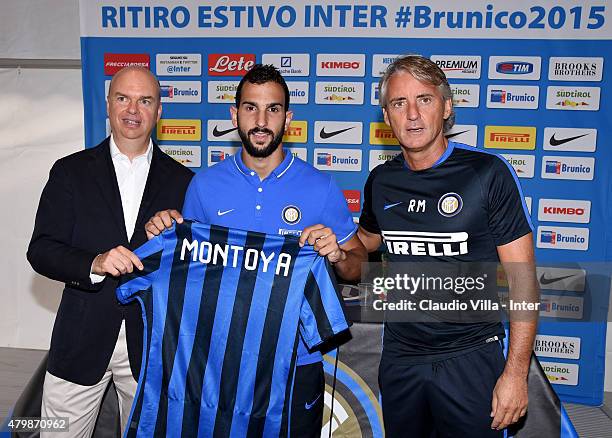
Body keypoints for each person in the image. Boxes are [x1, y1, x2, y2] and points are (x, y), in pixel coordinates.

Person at [145, 64, 367, 437]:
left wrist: (340, 256)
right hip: (220, 362)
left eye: (273, 109)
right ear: (234, 115)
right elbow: (188, 274)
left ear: (288, 118)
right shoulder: (204, 186)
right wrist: (163, 233)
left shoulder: (322, 187)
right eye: (250, 108)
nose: (261, 120)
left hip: (296, 363)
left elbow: (359, 267)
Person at [355, 55, 539, 437]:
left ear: (447, 107)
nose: (412, 115)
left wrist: (516, 374)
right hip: (402, 359)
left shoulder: (487, 174)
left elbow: (524, 282)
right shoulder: (381, 180)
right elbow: (363, 246)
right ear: (386, 117)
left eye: (424, 99)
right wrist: (333, 240)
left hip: (471, 356)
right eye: (398, 103)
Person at [27, 66, 194, 437]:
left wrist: (179, 238)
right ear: (108, 104)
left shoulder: (185, 182)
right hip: (80, 341)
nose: (132, 109)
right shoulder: (70, 172)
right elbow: (41, 250)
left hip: (153, 346)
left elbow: (196, 268)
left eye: (144, 100)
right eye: (123, 98)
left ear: (159, 111)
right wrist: (95, 262)